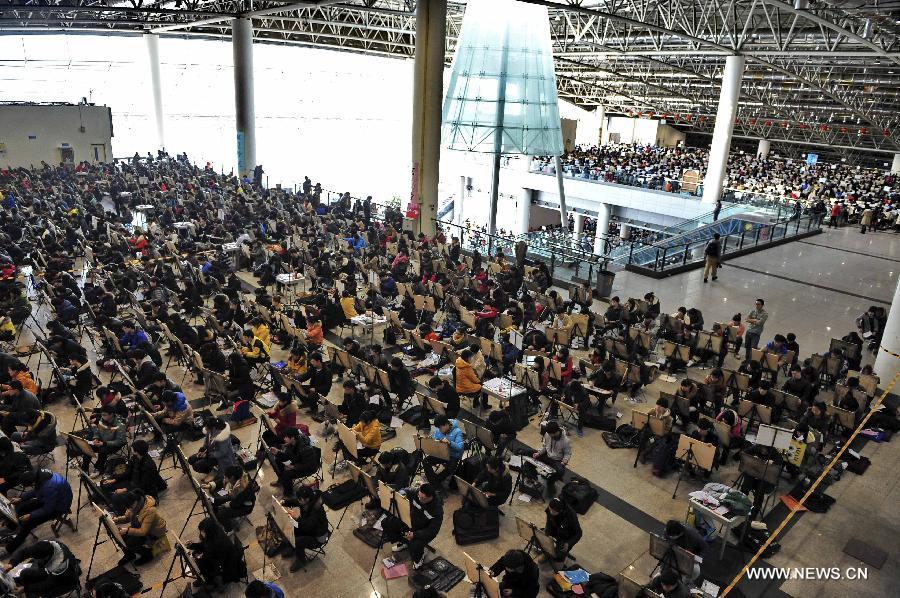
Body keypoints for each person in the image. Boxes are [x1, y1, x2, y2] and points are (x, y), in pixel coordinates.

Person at [4, 469, 73, 553]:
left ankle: (8, 549)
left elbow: (48, 509)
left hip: (58, 507)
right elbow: (37, 490)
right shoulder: (38, 474)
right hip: (51, 498)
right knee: (21, 506)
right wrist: (21, 498)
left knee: (28, 523)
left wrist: (31, 515)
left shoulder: (48, 486)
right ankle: (13, 526)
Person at [384, 483, 443, 569]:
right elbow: (406, 490)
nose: (419, 499)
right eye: (419, 496)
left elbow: (432, 531)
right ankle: (404, 542)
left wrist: (415, 534)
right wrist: (402, 493)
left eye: (423, 498)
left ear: (431, 497)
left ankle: (419, 557)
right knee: (387, 523)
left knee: (415, 544)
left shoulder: (437, 510)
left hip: (423, 531)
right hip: (411, 522)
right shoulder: (417, 492)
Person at [102, 439, 166, 511]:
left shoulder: (149, 465)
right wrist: (114, 480)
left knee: (116, 497)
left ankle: (120, 509)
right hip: (132, 483)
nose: (131, 450)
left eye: (132, 449)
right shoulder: (135, 458)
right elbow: (128, 472)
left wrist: (125, 489)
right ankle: (114, 503)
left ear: (136, 452)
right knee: (105, 484)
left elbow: (143, 485)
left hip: (143, 490)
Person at [187, 517, 246, 592]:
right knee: (198, 557)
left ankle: (209, 581)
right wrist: (192, 545)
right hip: (221, 555)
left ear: (208, 531)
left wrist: (198, 557)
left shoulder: (216, 542)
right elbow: (205, 545)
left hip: (226, 562)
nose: (201, 533)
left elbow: (210, 556)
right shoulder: (214, 531)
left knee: (201, 562)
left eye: (203, 531)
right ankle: (204, 578)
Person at [6, 539, 80, 597]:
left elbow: (47, 585)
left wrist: (25, 589)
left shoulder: (59, 565)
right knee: (25, 573)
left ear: (47, 557)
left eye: (39, 559)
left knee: (41, 593)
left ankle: (26, 590)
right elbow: (25, 552)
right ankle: (16, 586)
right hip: (52, 573)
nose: (36, 561)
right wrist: (11, 564)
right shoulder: (47, 544)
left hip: (65, 581)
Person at [115, 491, 168, 566]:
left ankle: (148, 554)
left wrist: (127, 530)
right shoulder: (133, 505)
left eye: (130, 506)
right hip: (141, 527)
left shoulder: (150, 510)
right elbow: (127, 517)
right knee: (120, 536)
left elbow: (143, 532)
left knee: (131, 542)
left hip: (154, 532)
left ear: (136, 501)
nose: (129, 509)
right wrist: (117, 520)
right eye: (128, 507)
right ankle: (130, 555)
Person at [284, 485, 330, 571]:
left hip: (317, 537)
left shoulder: (316, 511)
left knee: (297, 540)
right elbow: (295, 501)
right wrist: (284, 502)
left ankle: (301, 560)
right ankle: (292, 548)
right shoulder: (306, 501)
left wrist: (296, 519)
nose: (298, 500)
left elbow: (306, 527)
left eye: (300, 499)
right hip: (309, 529)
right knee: (291, 528)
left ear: (307, 499)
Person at [267, 427, 320, 496]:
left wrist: (293, 467)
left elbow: (308, 465)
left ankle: (289, 494)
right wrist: (278, 452)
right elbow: (288, 456)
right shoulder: (292, 443)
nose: (284, 439)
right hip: (298, 461)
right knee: (278, 461)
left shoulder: (306, 449)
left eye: (286, 437)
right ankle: (281, 480)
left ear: (292, 438)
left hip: (308, 468)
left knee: (287, 474)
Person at [80, 404, 127, 476]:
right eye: (102, 415)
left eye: (104, 415)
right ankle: (85, 468)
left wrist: (104, 443)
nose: (102, 416)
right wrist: (96, 438)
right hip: (103, 440)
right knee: (88, 446)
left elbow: (120, 441)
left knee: (103, 450)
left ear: (111, 414)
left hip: (113, 444)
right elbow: (97, 430)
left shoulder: (120, 425)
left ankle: (99, 468)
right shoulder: (103, 419)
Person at [211, 465, 259, 531]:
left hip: (245, 507)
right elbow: (224, 481)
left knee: (222, 513)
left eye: (226, 477)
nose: (225, 478)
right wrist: (211, 485)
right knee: (214, 500)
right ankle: (217, 516)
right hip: (236, 499)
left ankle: (228, 528)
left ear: (232, 478)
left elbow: (235, 504)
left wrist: (228, 504)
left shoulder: (243, 489)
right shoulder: (238, 477)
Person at [423, 415, 464, 489]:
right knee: (425, 461)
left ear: (446, 425)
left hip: (453, 456)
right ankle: (435, 483)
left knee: (450, 468)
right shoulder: (439, 430)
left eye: (440, 427)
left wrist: (449, 442)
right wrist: (431, 440)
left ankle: (434, 483)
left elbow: (460, 448)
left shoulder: (457, 432)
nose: (439, 430)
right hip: (442, 453)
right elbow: (435, 438)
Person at [532, 421, 571, 496]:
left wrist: (565, 460)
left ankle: (550, 482)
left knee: (560, 471)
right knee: (531, 456)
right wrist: (539, 453)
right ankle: (533, 478)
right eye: (548, 434)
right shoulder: (548, 434)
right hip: (547, 455)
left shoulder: (566, 441)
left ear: (556, 432)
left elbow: (567, 453)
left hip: (557, 460)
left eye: (551, 434)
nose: (549, 435)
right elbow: (545, 447)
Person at [544, 497, 582, 565]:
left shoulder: (571, 516)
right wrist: (547, 533)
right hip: (555, 528)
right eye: (550, 510)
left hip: (566, 537)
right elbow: (548, 521)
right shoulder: (551, 507)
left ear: (561, 510)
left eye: (553, 511)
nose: (551, 512)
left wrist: (568, 543)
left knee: (558, 557)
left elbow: (578, 533)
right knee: (542, 541)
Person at [744, 298, 768, 363]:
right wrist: (755, 320)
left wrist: (751, 320)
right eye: (756, 304)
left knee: (753, 349)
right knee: (747, 347)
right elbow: (746, 319)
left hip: (756, 334)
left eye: (758, 304)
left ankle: (750, 362)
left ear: (762, 305)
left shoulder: (765, 314)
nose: (756, 305)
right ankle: (746, 360)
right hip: (749, 331)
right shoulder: (753, 311)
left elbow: (760, 323)